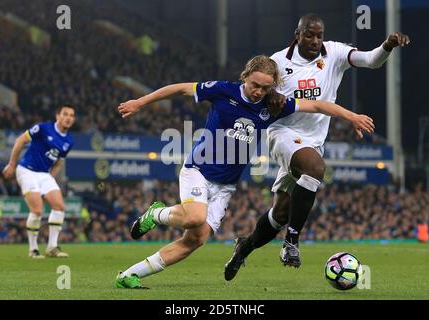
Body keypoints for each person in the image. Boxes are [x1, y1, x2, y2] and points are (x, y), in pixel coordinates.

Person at [115, 55, 374, 288]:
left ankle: (129, 275)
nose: (258, 91)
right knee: (194, 217)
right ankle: (156, 213)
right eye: (254, 85)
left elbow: (318, 106)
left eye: (265, 87)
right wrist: (141, 102)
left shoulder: (273, 106)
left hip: (225, 185)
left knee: (195, 239)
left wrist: (351, 117)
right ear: (245, 77)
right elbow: (181, 88)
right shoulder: (222, 91)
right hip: (199, 170)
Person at [224, 13, 410, 281]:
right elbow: (257, 90)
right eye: (309, 34)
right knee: (315, 168)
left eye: (318, 35)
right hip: (283, 133)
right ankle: (292, 241)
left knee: (279, 214)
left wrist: (388, 45)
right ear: (297, 34)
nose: (314, 40)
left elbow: (371, 60)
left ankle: (245, 247)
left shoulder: (334, 53)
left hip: (313, 142)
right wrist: (271, 94)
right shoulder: (278, 62)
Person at [2, 105, 76, 258]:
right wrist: (12, 164)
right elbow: (20, 141)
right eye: (65, 114)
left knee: (59, 207)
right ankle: (33, 249)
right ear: (58, 116)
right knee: (37, 210)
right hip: (26, 170)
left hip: (44, 175)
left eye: (71, 115)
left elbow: (59, 162)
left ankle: (52, 247)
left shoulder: (68, 141)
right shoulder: (42, 128)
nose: (68, 118)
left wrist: (51, 179)